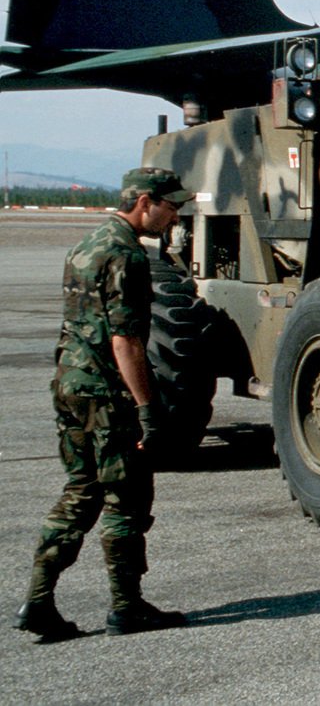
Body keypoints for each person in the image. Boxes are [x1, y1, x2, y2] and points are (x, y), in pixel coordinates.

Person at [14, 168, 194, 642]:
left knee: (81, 490)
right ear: (144, 201)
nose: (175, 215)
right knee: (127, 498)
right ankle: (125, 607)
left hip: (69, 384)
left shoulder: (86, 245)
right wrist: (148, 408)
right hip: (106, 394)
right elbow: (126, 342)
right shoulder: (126, 255)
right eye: (170, 205)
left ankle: (37, 600)